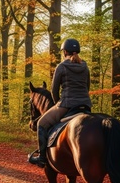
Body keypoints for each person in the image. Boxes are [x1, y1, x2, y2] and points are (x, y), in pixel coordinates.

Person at [29, 38, 91, 168]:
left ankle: (41, 158)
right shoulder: (85, 66)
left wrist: (58, 103)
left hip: (66, 104)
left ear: (65, 52)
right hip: (85, 105)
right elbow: (87, 87)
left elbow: (54, 90)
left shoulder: (62, 67)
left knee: (41, 123)